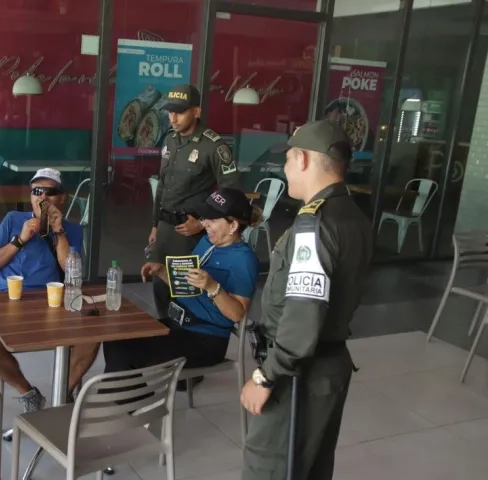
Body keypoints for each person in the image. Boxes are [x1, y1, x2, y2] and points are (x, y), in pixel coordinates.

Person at [240, 120, 372, 480]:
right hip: (328, 367)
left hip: (299, 377)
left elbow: (303, 316)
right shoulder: (352, 214)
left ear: (301, 160)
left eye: (287, 160)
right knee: (310, 467)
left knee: (269, 467)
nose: (284, 170)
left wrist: (265, 377)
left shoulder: (314, 224)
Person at [104, 188, 259, 381]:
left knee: (124, 353)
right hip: (178, 325)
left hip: (205, 339)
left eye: (212, 219)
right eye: (204, 218)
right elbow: (185, 285)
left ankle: (136, 405)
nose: (205, 224)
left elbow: (237, 313)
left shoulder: (243, 260)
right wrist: (161, 271)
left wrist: (213, 287)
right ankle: (135, 402)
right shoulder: (206, 242)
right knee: (113, 337)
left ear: (233, 226)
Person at [0, 168, 97, 418]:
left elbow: (70, 269)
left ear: (62, 198)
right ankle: (29, 394)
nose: (42, 197)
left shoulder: (72, 229)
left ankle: (62, 395)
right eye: (36, 191)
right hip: (9, 300)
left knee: (92, 337)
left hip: (50, 303)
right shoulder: (13, 219)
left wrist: (58, 230)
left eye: (49, 192)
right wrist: (20, 239)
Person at [150, 84, 242, 321]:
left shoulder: (214, 146)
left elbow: (230, 193)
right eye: (170, 112)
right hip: (165, 228)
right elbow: (162, 186)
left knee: (185, 290)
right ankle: (164, 337)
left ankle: (186, 340)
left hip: (190, 233)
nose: (173, 118)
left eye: (180, 112)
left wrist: (203, 223)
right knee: (160, 286)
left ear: (197, 112)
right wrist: (154, 224)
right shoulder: (170, 140)